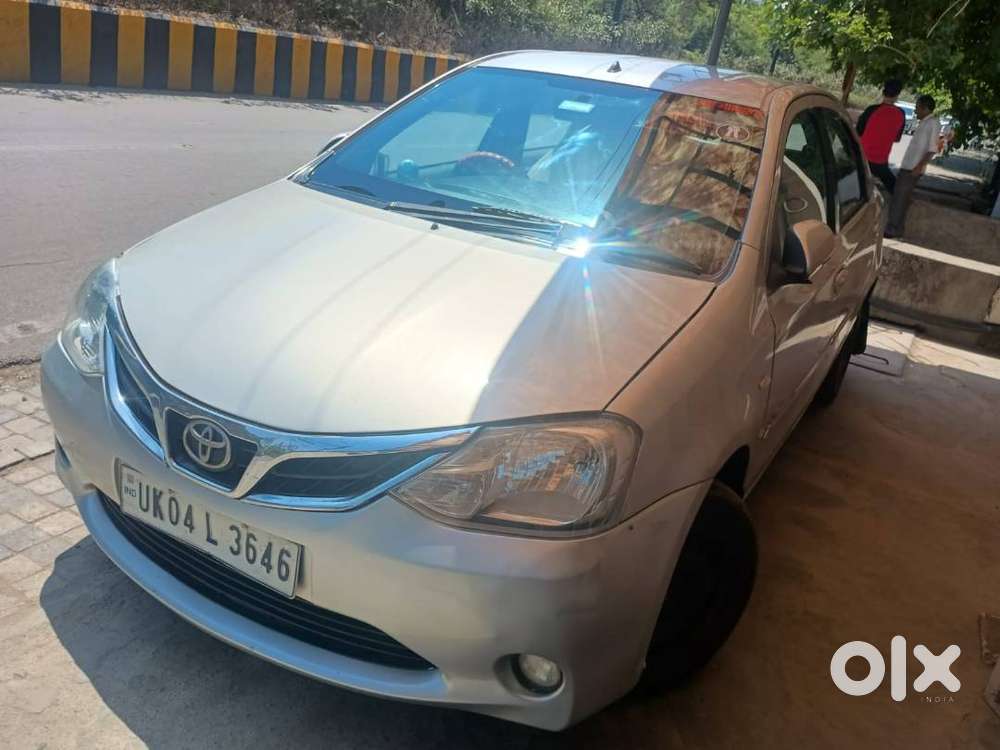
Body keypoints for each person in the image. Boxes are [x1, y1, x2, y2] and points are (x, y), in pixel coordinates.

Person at [884, 94, 940, 239]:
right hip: (908, 166)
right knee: (900, 198)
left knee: (900, 199)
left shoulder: (933, 123)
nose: (916, 111)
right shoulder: (924, 122)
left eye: (917, 108)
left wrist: (919, 166)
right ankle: (896, 228)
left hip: (913, 168)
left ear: (925, 108)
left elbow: (932, 149)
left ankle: (892, 229)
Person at [857, 79, 906, 193]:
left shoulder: (871, 110)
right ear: (897, 95)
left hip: (862, 157)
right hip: (880, 161)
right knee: (894, 189)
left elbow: (858, 132)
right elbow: (897, 139)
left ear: (883, 92)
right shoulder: (901, 114)